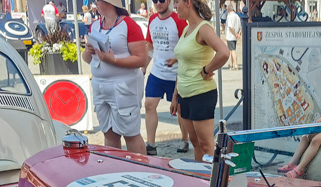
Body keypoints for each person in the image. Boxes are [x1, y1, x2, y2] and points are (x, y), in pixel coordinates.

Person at [83, 0, 148, 153]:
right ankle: (115, 168)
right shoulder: (96, 25)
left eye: (98, 1)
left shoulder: (129, 25)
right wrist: (87, 51)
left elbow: (142, 59)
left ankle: (140, 170)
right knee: (108, 132)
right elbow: (87, 59)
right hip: (101, 85)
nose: (95, 4)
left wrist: (113, 60)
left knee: (130, 133)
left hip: (123, 85)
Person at [169, 0, 229, 160]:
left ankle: (212, 183)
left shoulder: (203, 28)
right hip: (184, 95)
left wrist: (207, 69)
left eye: (176, 2)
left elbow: (224, 52)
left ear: (188, 2)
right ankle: (200, 179)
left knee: (206, 145)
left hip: (201, 94)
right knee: (195, 142)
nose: (174, 7)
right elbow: (183, 64)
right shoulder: (187, 29)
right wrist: (175, 96)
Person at [143, 0, 190, 156]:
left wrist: (177, 60)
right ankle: (151, 144)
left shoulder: (178, 20)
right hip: (157, 72)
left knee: (179, 110)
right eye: (155, 1)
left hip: (175, 73)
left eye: (162, 0)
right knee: (149, 104)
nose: (158, 3)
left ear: (169, 1)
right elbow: (149, 46)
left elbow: (187, 45)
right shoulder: (152, 20)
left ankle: (184, 139)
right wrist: (144, 67)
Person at [224, 2, 241, 71]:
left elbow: (230, 27)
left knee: (233, 50)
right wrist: (238, 34)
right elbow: (240, 27)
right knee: (232, 50)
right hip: (235, 36)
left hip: (231, 36)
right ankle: (231, 64)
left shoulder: (230, 16)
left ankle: (236, 65)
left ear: (228, 10)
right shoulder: (237, 16)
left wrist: (235, 34)